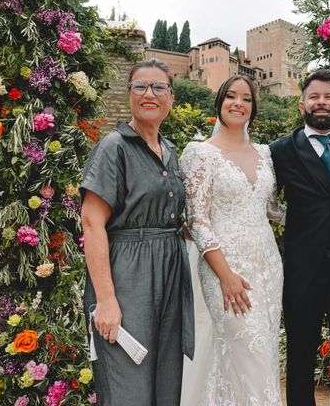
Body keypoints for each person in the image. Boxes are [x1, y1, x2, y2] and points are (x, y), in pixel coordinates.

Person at [80, 58, 194, 406]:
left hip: (170, 274)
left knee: (165, 380)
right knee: (128, 381)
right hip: (128, 275)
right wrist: (107, 299)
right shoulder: (114, 147)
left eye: (159, 87)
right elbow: (91, 222)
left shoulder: (170, 151)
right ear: (129, 94)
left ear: (171, 98)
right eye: (140, 86)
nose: (149, 94)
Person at [180, 75, 285, 405]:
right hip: (224, 267)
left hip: (267, 267)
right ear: (220, 103)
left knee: (260, 353)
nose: (238, 103)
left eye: (246, 99)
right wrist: (225, 275)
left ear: (253, 109)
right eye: (231, 97)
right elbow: (197, 219)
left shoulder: (266, 154)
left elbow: (272, 209)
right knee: (248, 347)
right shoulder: (200, 154)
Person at [269, 69, 330, 406]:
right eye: (314, 97)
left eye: (328, 97)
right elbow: (258, 195)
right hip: (302, 269)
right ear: (302, 104)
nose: (321, 102)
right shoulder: (280, 151)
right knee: (300, 353)